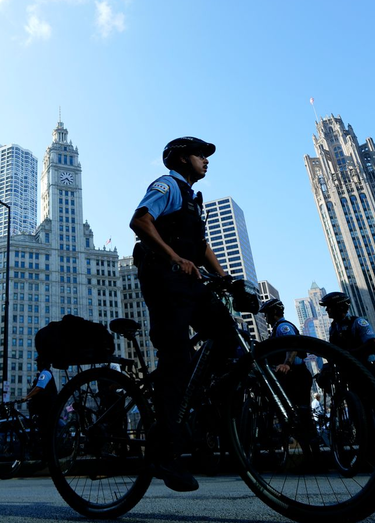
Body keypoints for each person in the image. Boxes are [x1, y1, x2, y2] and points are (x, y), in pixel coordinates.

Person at [129, 136, 234, 493]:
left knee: (227, 337)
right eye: (200, 154)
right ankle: (165, 451)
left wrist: (224, 278)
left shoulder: (192, 200)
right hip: (163, 278)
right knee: (176, 357)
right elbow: (140, 221)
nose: (206, 160)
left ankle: (198, 414)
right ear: (182, 159)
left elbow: (201, 246)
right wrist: (173, 257)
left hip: (190, 281)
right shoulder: (168, 186)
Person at [321, 292, 375, 387]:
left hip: (369, 369)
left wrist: (348, 354)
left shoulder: (358, 322)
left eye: (329, 307)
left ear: (339, 307)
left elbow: (371, 345)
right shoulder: (333, 328)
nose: (327, 310)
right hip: (350, 374)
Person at [17, 357, 58, 439]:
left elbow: (39, 388)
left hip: (46, 408)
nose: (37, 365)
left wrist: (26, 397)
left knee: (45, 431)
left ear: (42, 363)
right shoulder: (42, 374)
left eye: (38, 363)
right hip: (42, 408)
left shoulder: (45, 373)